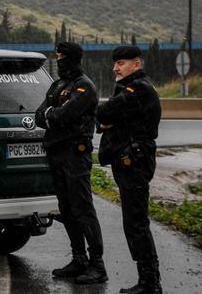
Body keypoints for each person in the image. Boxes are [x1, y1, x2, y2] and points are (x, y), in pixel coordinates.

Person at [35, 41, 108, 284]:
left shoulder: (84, 86)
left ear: (73, 58)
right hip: (56, 152)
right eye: (57, 56)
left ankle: (97, 264)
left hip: (75, 155)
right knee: (66, 208)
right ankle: (79, 259)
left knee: (83, 208)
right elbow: (40, 115)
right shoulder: (58, 85)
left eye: (62, 56)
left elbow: (65, 115)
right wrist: (51, 115)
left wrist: (52, 114)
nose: (59, 60)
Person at [98, 45, 163, 294]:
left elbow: (104, 111)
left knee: (136, 223)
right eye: (115, 63)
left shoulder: (139, 88)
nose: (115, 68)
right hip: (130, 159)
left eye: (121, 63)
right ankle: (148, 280)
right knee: (133, 222)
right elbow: (105, 116)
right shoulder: (131, 87)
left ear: (136, 64)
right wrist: (110, 120)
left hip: (135, 161)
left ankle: (150, 283)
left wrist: (109, 120)